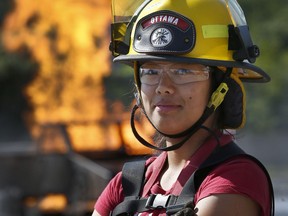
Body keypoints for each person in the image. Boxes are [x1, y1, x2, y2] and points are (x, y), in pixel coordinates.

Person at [92, 0, 274, 215]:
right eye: (151, 71)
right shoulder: (126, 184)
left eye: (183, 71)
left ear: (221, 86)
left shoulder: (235, 179)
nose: (163, 87)